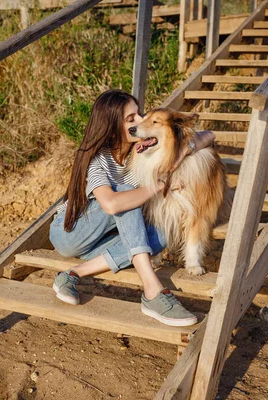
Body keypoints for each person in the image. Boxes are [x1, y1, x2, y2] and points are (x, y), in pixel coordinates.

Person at [49, 89, 215, 327]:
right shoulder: (98, 159)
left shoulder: (143, 151)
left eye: (140, 114)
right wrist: (159, 186)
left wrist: (180, 155)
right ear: (112, 126)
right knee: (126, 193)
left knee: (163, 233)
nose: (141, 122)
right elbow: (111, 204)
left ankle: (74, 273)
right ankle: (152, 290)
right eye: (131, 119)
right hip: (70, 233)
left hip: (103, 243)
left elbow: (209, 135)